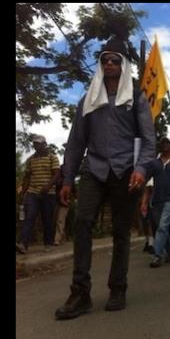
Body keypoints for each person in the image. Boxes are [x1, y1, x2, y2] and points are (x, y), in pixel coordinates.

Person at [54, 38, 156, 319]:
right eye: (105, 60)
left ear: (124, 65)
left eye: (115, 60)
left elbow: (149, 141)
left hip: (126, 173)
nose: (109, 64)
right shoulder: (88, 100)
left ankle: (118, 288)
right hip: (94, 170)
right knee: (83, 222)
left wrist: (141, 169)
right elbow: (75, 143)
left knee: (121, 231)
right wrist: (66, 179)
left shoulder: (136, 98)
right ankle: (80, 293)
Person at [16, 134, 61, 254]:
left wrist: (48, 186)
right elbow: (27, 177)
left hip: (48, 193)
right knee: (29, 217)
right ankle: (23, 244)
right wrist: (23, 192)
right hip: (33, 192)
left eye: (38, 144)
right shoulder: (31, 159)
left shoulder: (52, 157)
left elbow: (57, 174)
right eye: (35, 144)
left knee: (47, 219)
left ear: (44, 144)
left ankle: (48, 243)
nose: (36, 146)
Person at [142, 137, 170, 268]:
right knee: (159, 227)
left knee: (163, 226)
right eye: (162, 143)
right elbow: (146, 179)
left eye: (167, 143)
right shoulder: (154, 163)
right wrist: (144, 201)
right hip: (157, 200)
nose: (165, 145)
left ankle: (157, 255)